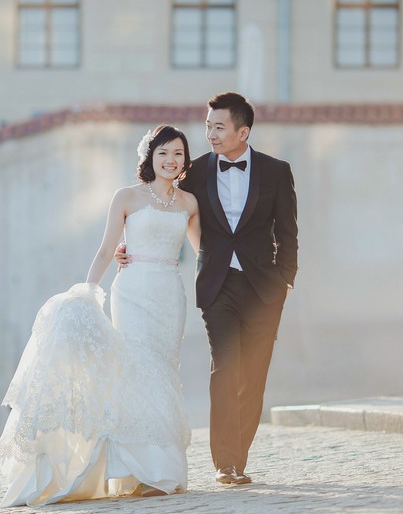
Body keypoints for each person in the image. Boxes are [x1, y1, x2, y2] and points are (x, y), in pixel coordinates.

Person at [0, 125, 201, 507]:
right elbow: (107, 249)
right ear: (149, 158)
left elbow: (204, 251)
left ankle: (162, 470)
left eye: (178, 154)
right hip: (132, 289)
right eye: (163, 153)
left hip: (169, 294)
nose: (171, 161)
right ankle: (139, 470)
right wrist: (88, 290)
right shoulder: (126, 197)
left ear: (185, 161)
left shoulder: (189, 203)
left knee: (163, 371)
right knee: (137, 370)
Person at [119, 92, 298, 486]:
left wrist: (285, 281)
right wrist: (128, 245)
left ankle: (240, 454)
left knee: (254, 375)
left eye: (218, 127)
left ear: (242, 131)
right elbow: (162, 203)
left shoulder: (276, 171)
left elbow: (288, 234)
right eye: (208, 126)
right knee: (226, 367)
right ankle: (226, 462)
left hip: (264, 290)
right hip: (218, 286)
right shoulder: (195, 172)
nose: (210, 134)